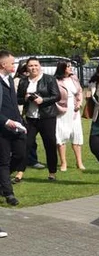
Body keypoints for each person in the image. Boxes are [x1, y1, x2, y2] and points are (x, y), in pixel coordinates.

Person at [16, 57, 61, 180]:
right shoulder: (23, 81)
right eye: (30, 66)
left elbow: (57, 96)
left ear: (40, 66)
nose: (33, 68)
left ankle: (52, 172)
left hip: (47, 117)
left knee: (50, 144)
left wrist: (42, 100)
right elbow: (18, 99)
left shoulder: (49, 79)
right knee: (25, 144)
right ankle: (20, 172)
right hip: (30, 118)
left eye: (35, 65)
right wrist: (25, 98)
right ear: (27, 68)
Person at [0, 50, 26, 206]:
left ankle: (2, 181)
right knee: (3, 161)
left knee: (21, 155)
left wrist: (20, 121)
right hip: (2, 128)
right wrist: (5, 121)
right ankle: (8, 193)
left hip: (16, 126)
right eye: (12, 63)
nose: (14, 66)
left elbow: (13, 104)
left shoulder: (9, 80)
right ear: (3, 64)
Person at [54, 61, 85, 172]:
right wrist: (59, 107)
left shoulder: (74, 78)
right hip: (62, 111)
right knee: (61, 135)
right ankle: (63, 162)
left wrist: (79, 102)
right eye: (68, 66)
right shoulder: (56, 81)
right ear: (62, 68)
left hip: (74, 110)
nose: (70, 68)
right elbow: (54, 95)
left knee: (76, 134)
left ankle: (79, 162)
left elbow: (79, 91)